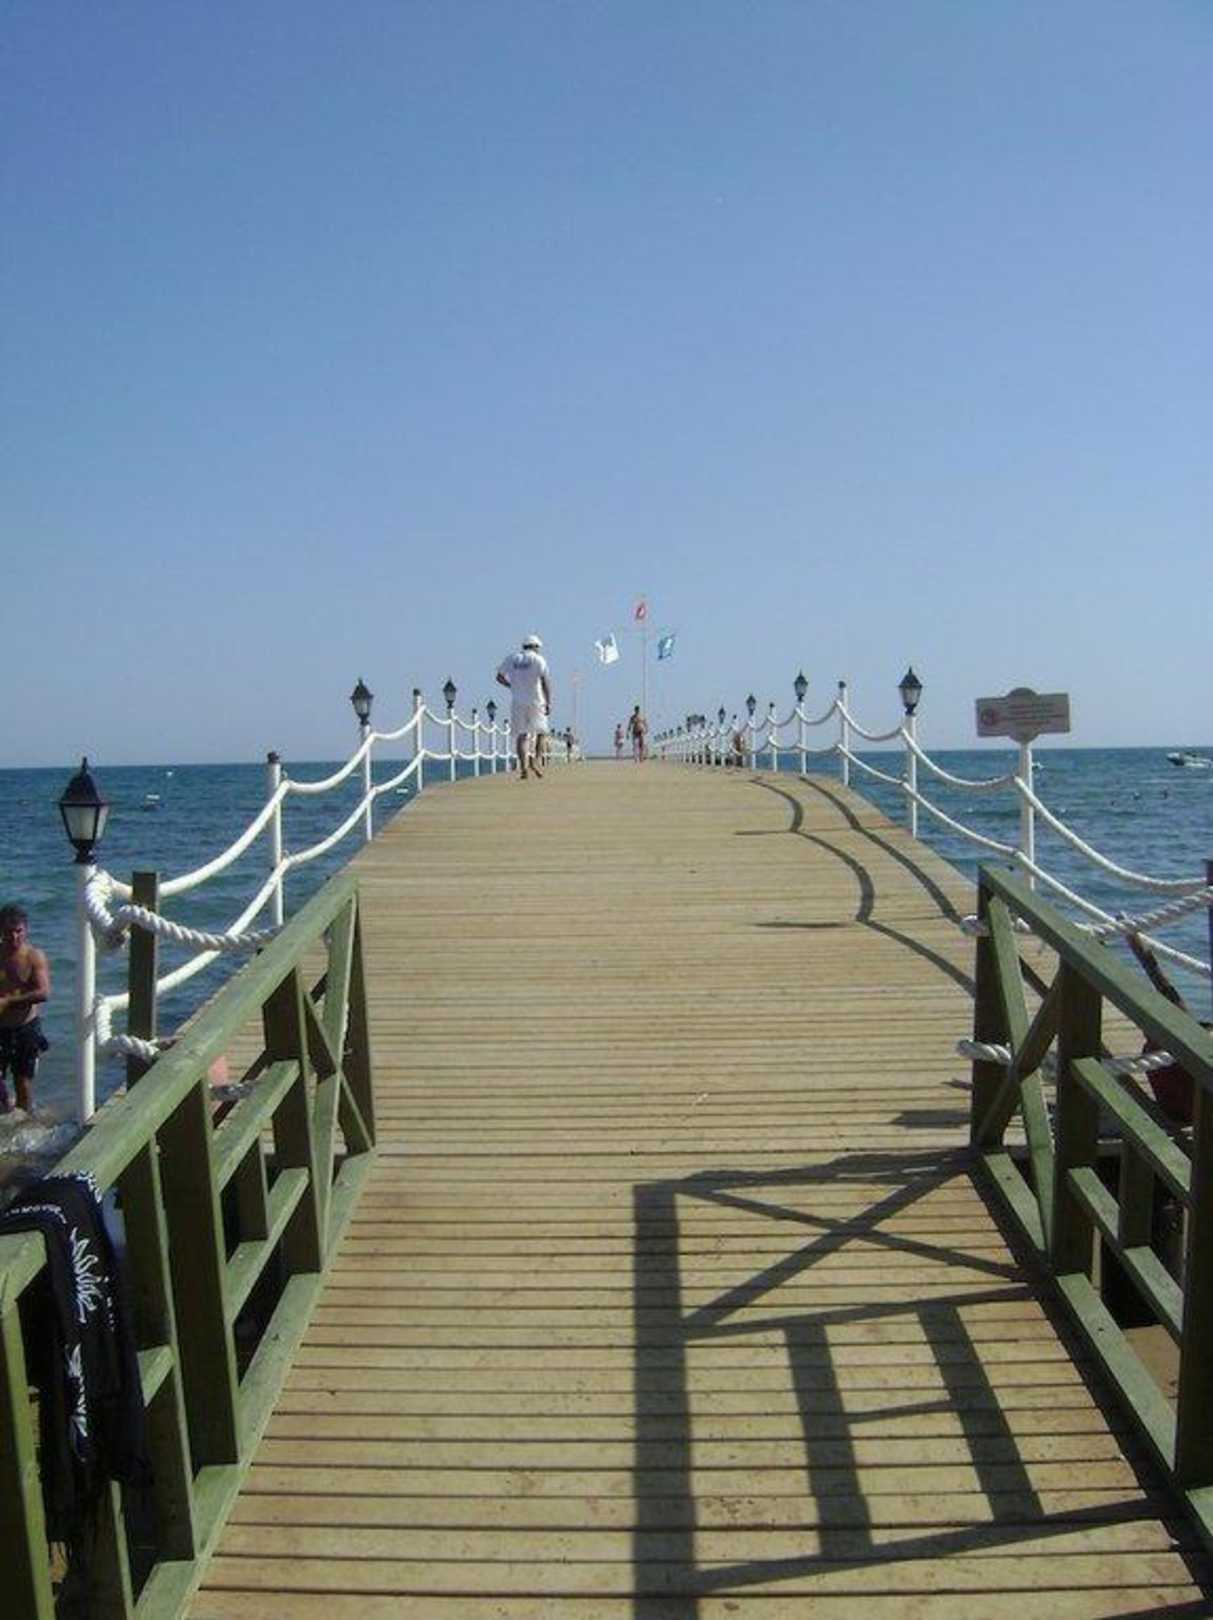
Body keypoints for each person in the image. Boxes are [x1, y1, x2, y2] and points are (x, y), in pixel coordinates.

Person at [0, 904, 51, 1113]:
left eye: (19, 931)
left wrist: (8, 1002)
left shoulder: (33, 956)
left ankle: (25, 1123)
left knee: (23, 1083)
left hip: (25, 1028)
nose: (14, 937)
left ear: (26, 930)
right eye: (8, 932)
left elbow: (43, 992)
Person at [496, 634, 552, 780]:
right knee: (542, 732)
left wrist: (511, 685)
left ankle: (523, 768)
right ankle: (536, 761)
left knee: (522, 735)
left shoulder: (512, 658)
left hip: (518, 701)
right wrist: (548, 702)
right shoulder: (538, 660)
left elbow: (499, 677)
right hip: (536, 701)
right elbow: (545, 681)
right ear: (535, 646)